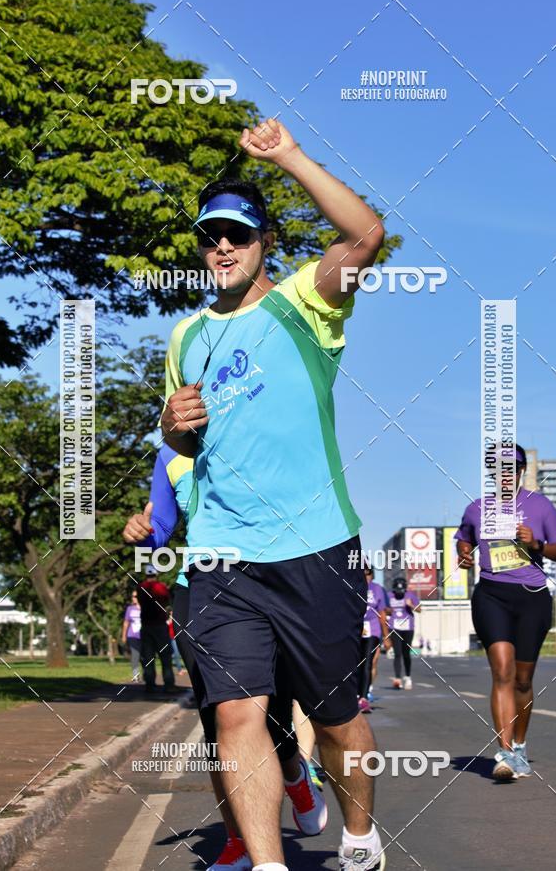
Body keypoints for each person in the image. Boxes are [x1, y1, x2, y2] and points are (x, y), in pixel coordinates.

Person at [161, 117, 386, 871]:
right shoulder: (187, 337)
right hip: (225, 554)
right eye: (209, 237)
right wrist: (173, 424)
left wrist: (289, 158)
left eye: (238, 235)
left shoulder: (303, 303)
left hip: (317, 546)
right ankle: (266, 864)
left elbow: (365, 235)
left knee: (334, 716)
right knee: (233, 711)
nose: (221, 247)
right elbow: (186, 445)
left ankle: (358, 837)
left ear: (263, 244)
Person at [123, 444, 327, 870]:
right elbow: (162, 524)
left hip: (271, 578)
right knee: (220, 723)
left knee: (274, 720)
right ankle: (238, 839)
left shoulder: (256, 425)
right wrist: (145, 530)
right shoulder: (170, 455)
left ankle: (296, 778)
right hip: (201, 587)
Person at [455, 443, 556, 780]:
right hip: (491, 594)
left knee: (522, 680)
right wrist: (464, 552)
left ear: (520, 471)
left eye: (512, 468)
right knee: (502, 670)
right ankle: (504, 753)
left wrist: (535, 545)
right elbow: (464, 538)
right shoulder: (477, 509)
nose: (506, 475)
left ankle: (519, 745)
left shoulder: (541, 506)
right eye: (499, 469)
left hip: (532, 595)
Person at [136, 564, 175, 694]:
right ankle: (169, 684)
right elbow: (166, 600)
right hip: (160, 626)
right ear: (156, 574)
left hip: (146, 626)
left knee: (148, 657)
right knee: (165, 657)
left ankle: (150, 684)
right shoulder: (161, 587)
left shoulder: (140, 587)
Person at [358, 565, 389, 713]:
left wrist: (386, 636)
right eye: (363, 573)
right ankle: (355, 694)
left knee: (367, 663)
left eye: (368, 573)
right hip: (354, 629)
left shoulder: (377, 589)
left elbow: (382, 613)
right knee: (354, 664)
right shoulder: (352, 585)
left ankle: (363, 698)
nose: (366, 576)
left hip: (373, 630)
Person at [386, 576, 420, 689]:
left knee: (406, 653)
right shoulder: (389, 596)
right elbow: (383, 609)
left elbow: (420, 609)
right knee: (397, 653)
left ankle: (408, 676)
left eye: (401, 592)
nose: (399, 594)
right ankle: (397, 678)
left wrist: (411, 605)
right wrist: (389, 610)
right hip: (394, 627)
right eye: (397, 592)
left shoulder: (410, 595)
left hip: (408, 627)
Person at [121, 590, 141, 681]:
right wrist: (124, 635)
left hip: (144, 636)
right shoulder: (130, 609)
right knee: (135, 655)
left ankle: (148, 676)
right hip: (132, 635)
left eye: (135, 596)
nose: (133, 598)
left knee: (145, 656)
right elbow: (126, 622)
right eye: (132, 596)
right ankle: (135, 675)